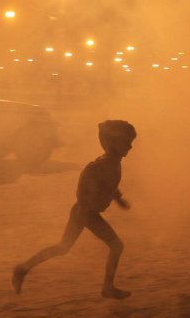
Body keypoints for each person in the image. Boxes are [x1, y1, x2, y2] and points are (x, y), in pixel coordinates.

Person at [13, 120, 137, 299]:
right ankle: (107, 288)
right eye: (126, 142)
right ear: (111, 144)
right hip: (86, 213)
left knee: (63, 247)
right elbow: (85, 186)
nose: (130, 146)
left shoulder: (111, 163)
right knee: (116, 246)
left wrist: (118, 199)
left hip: (83, 212)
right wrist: (91, 205)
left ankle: (22, 269)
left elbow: (108, 185)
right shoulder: (101, 166)